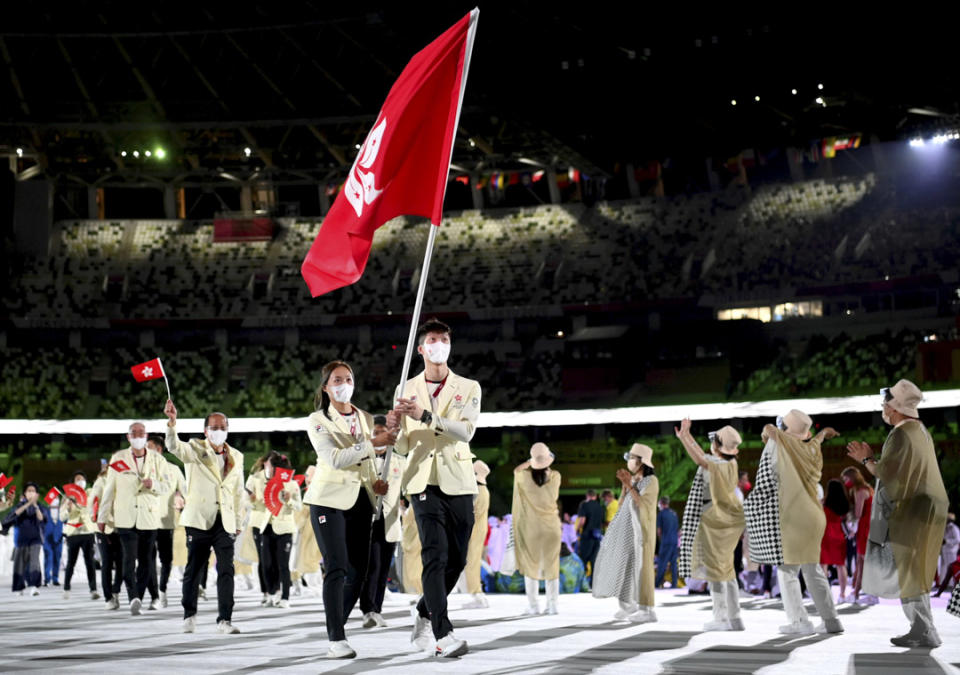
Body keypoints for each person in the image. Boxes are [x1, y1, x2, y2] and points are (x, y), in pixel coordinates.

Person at [389, 319, 480, 658]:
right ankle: (443, 633)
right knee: (434, 556)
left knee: (458, 559)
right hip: (422, 481)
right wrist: (394, 428)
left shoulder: (469, 387)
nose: (438, 343)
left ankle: (424, 610)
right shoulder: (406, 389)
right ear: (421, 348)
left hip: (458, 478)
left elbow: (466, 431)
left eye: (444, 338)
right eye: (432, 339)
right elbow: (401, 447)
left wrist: (425, 415)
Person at [846, 379, 948, 648]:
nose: (883, 408)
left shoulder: (902, 432)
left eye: (886, 403)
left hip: (912, 511)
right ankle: (923, 627)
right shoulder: (919, 429)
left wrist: (867, 459)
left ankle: (924, 629)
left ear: (895, 407)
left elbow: (887, 473)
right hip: (925, 508)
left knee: (909, 572)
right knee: (914, 570)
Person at [304, 360, 393, 659]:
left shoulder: (366, 418)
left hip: (360, 500)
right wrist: (372, 444)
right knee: (337, 565)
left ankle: (336, 623)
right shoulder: (318, 420)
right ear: (326, 387)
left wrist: (377, 482)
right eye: (338, 379)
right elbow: (333, 459)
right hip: (327, 499)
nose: (345, 384)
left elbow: (369, 462)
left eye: (349, 378)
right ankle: (336, 638)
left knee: (359, 570)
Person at [744, 409, 843, 636]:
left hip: (792, 513)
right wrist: (824, 433)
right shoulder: (812, 448)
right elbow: (812, 439)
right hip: (814, 515)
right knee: (812, 568)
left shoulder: (778, 444)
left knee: (787, 569)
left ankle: (799, 621)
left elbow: (766, 480)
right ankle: (831, 620)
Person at [164, 400, 245, 635]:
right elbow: (173, 446)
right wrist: (171, 423)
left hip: (226, 521)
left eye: (222, 427)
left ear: (228, 429)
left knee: (227, 569)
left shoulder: (237, 456)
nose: (218, 431)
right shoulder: (195, 449)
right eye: (214, 427)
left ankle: (225, 620)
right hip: (199, 518)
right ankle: (189, 614)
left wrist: (238, 522)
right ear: (206, 430)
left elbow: (238, 491)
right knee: (195, 568)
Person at [675, 420, 746, 631]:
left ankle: (721, 618)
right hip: (729, 519)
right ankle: (734, 617)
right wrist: (686, 437)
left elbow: (699, 458)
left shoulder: (720, 465)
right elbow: (703, 456)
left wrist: (686, 437)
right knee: (727, 569)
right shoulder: (730, 463)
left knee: (716, 570)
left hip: (716, 519)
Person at [98, 421, 169, 615]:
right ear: (128, 437)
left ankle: (140, 595)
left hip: (148, 517)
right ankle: (133, 596)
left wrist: (152, 484)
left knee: (146, 561)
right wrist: (102, 516)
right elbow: (109, 490)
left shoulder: (158, 460)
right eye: (134, 433)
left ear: (146, 436)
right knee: (128, 559)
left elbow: (166, 487)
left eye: (141, 433)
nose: (138, 436)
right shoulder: (118, 458)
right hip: (125, 517)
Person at [592, 443, 658, 623]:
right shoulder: (635, 482)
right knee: (628, 570)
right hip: (630, 532)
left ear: (642, 462)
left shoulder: (651, 481)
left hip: (643, 532)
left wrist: (629, 485)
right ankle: (630, 606)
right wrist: (624, 486)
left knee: (643, 570)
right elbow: (622, 505)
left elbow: (642, 504)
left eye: (632, 458)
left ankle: (648, 610)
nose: (629, 462)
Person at [360, 414, 407, 627]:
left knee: (382, 569)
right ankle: (367, 609)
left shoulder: (399, 460)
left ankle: (376, 609)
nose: (380, 436)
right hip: (366, 521)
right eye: (375, 433)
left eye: (383, 432)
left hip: (390, 522)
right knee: (371, 565)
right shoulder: (362, 459)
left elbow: (407, 489)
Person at [513, 443, 562, 615]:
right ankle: (553, 604)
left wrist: (531, 461)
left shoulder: (523, 477)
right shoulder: (556, 476)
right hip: (552, 528)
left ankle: (533, 606)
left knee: (530, 566)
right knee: (552, 565)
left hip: (531, 528)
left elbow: (516, 470)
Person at [255, 451, 302, 608]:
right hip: (267, 527)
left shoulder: (292, 484)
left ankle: (285, 597)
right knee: (267, 563)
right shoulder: (266, 483)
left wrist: (289, 500)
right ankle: (272, 592)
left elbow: (299, 506)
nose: (266, 468)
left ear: (277, 467)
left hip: (284, 528)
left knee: (283, 564)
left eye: (269, 465)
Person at [150, 435, 185, 609]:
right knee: (147, 560)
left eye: (149, 446)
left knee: (165, 560)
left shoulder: (174, 469)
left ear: (159, 449)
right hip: (146, 521)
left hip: (165, 521)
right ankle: (154, 595)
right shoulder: (142, 470)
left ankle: (162, 591)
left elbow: (186, 492)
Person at [61, 470, 99, 600]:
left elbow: (90, 509)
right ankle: (66, 588)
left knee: (90, 562)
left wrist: (80, 506)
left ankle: (93, 589)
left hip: (87, 531)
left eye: (82, 479)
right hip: (73, 533)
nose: (80, 481)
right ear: (73, 482)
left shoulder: (89, 493)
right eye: (77, 479)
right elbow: (62, 517)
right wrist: (68, 507)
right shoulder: (67, 496)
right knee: (71, 562)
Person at [90, 463, 123, 609]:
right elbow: (92, 500)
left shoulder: (124, 480)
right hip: (103, 527)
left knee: (122, 563)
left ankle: (116, 590)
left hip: (122, 526)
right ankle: (108, 597)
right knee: (107, 562)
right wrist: (93, 513)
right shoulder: (101, 481)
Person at [841, 466, 875, 605]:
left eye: (846, 479)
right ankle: (856, 593)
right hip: (868, 527)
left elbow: (858, 513)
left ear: (852, 477)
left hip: (864, 527)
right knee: (861, 562)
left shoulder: (860, 491)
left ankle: (872, 595)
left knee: (864, 562)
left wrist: (847, 518)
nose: (846, 482)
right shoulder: (868, 489)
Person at [462, 460, 492, 609]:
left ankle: (476, 594)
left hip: (472, 530)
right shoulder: (485, 490)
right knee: (474, 561)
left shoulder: (475, 491)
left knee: (471, 562)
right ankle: (477, 594)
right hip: (480, 530)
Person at [9, 483, 45, 595]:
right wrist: (27, 504)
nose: (31, 492)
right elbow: (15, 514)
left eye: (33, 491)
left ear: (36, 494)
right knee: (20, 564)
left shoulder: (38, 505)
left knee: (34, 562)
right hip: (21, 539)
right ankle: (19, 587)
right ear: (25, 493)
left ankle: (34, 586)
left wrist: (34, 505)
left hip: (35, 539)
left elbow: (41, 518)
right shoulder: (20, 505)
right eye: (28, 490)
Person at [244, 454, 270, 606]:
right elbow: (245, 501)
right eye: (268, 462)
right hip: (259, 522)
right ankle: (265, 592)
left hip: (276, 522)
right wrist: (253, 502)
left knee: (274, 558)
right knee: (263, 558)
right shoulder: (254, 478)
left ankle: (276, 590)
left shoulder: (281, 478)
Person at [820, 478, 850, 602]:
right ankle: (842, 594)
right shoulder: (845, 503)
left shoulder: (823, 502)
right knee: (841, 565)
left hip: (826, 534)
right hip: (839, 535)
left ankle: (825, 594)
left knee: (823, 565)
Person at [576, 490, 604, 580]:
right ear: (595, 496)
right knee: (594, 560)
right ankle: (593, 583)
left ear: (587, 496)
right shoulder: (601, 507)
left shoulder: (584, 505)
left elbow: (582, 520)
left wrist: (577, 529)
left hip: (586, 536)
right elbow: (602, 523)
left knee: (583, 559)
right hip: (597, 536)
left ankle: (582, 582)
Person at [655, 497, 679, 588]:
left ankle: (657, 584)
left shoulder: (661, 514)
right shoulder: (674, 514)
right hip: (674, 541)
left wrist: (661, 539)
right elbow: (677, 529)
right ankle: (674, 584)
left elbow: (659, 531)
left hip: (666, 541)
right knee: (673, 564)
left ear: (661, 503)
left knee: (662, 563)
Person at [42, 492, 64, 588]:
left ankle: (55, 578)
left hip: (59, 538)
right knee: (48, 557)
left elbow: (67, 521)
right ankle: (47, 579)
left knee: (57, 558)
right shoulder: (45, 510)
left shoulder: (62, 511)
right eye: (53, 497)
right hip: (47, 538)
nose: (55, 499)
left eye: (56, 498)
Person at [940, 513, 959, 591]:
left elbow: (958, 540)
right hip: (944, 550)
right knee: (943, 568)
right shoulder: (945, 527)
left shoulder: (954, 528)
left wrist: (947, 541)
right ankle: (943, 584)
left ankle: (952, 585)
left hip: (951, 551)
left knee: (951, 568)